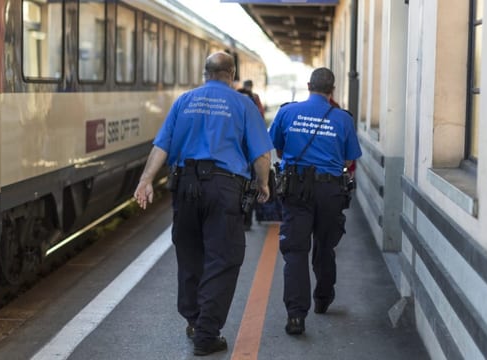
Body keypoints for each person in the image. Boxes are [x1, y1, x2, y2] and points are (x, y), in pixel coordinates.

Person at [133, 51, 273, 356]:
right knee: (223, 259)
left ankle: (195, 321)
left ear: (204, 73)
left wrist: (145, 180)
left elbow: (162, 145)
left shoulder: (185, 101)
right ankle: (207, 334)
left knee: (190, 254)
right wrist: (263, 184)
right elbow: (262, 155)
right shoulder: (243, 104)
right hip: (224, 188)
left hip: (185, 186)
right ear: (231, 74)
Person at [268, 67, 362, 335]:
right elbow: (349, 160)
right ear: (332, 90)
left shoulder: (287, 112)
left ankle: (296, 316)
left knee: (295, 251)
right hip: (331, 191)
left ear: (308, 85)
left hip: (296, 189)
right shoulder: (343, 119)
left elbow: (275, 146)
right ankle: (323, 298)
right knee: (324, 246)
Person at [237, 79, 266, 230]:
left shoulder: (234, 101)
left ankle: (242, 219)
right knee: (250, 187)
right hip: (250, 156)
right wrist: (264, 183)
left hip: (236, 160)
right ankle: (247, 220)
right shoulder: (254, 100)